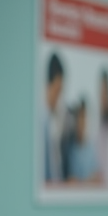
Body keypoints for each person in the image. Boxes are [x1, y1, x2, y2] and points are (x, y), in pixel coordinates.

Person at [43, 52, 68, 182]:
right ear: (49, 85)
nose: (59, 97)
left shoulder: (54, 122)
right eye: (58, 90)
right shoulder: (42, 123)